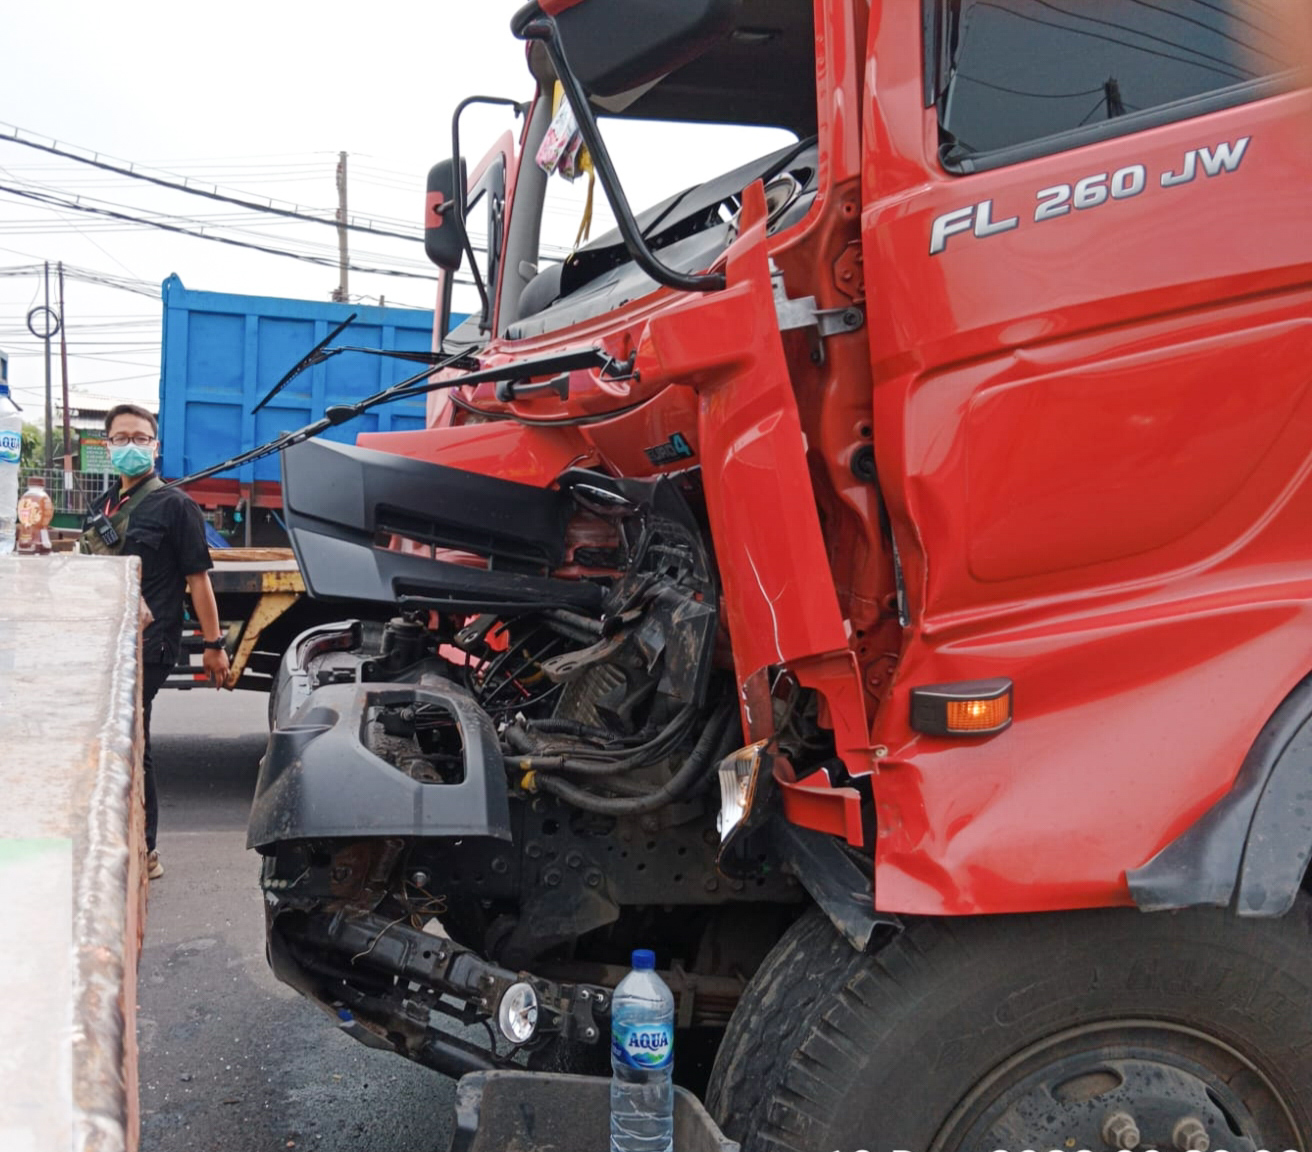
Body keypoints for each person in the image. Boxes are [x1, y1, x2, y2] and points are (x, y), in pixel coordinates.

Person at [80, 403, 230, 880]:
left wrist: (214, 643)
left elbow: (198, 580)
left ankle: (145, 849)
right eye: (121, 438)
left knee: (131, 738)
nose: (131, 445)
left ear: (155, 446)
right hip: (106, 642)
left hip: (151, 643)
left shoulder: (175, 506)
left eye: (140, 438)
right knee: (118, 740)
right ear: (107, 446)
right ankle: (118, 839)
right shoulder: (102, 506)